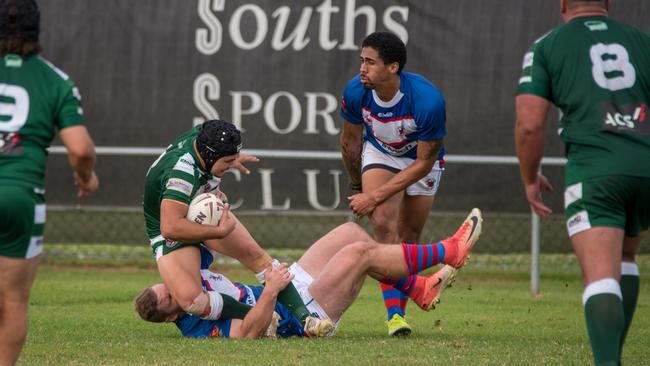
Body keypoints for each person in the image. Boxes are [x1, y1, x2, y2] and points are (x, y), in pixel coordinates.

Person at [515, 1, 650, 364]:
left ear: (562, 4)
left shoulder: (547, 45)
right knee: (624, 257)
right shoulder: (642, 41)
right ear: (608, 3)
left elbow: (529, 125)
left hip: (596, 169)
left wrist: (530, 179)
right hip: (645, 166)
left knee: (600, 275)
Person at [135, 209, 483, 338]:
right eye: (171, 296)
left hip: (291, 286)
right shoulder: (196, 326)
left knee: (348, 233)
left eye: (165, 284)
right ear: (170, 317)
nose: (174, 286)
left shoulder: (185, 278)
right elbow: (250, 332)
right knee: (359, 253)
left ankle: (419, 289)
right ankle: (449, 250)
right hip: (300, 317)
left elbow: (204, 239)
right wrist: (270, 291)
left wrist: (211, 210)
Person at [142, 119, 333, 337]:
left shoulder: (206, 138)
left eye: (233, 159)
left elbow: (212, 157)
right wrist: (219, 233)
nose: (230, 165)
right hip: (168, 231)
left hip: (196, 206)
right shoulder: (182, 174)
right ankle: (255, 314)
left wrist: (232, 159)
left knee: (257, 256)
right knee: (192, 301)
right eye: (227, 161)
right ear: (210, 156)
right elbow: (171, 227)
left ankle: (307, 319)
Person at [0, 0, 100, 364]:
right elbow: (81, 148)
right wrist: (84, 177)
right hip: (19, 197)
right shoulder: (55, 80)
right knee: (12, 301)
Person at [339, 31, 447, 335]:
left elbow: (424, 162)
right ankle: (396, 316)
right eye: (361, 60)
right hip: (381, 152)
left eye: (370, 62)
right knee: (384, 224)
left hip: (420, 160)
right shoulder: (355, 91)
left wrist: (373, 197)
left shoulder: (427, 101)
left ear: (393, 67)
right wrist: (358, 186)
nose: (362, 68)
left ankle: (415, 290)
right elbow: (350, 142)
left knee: (409, 234)